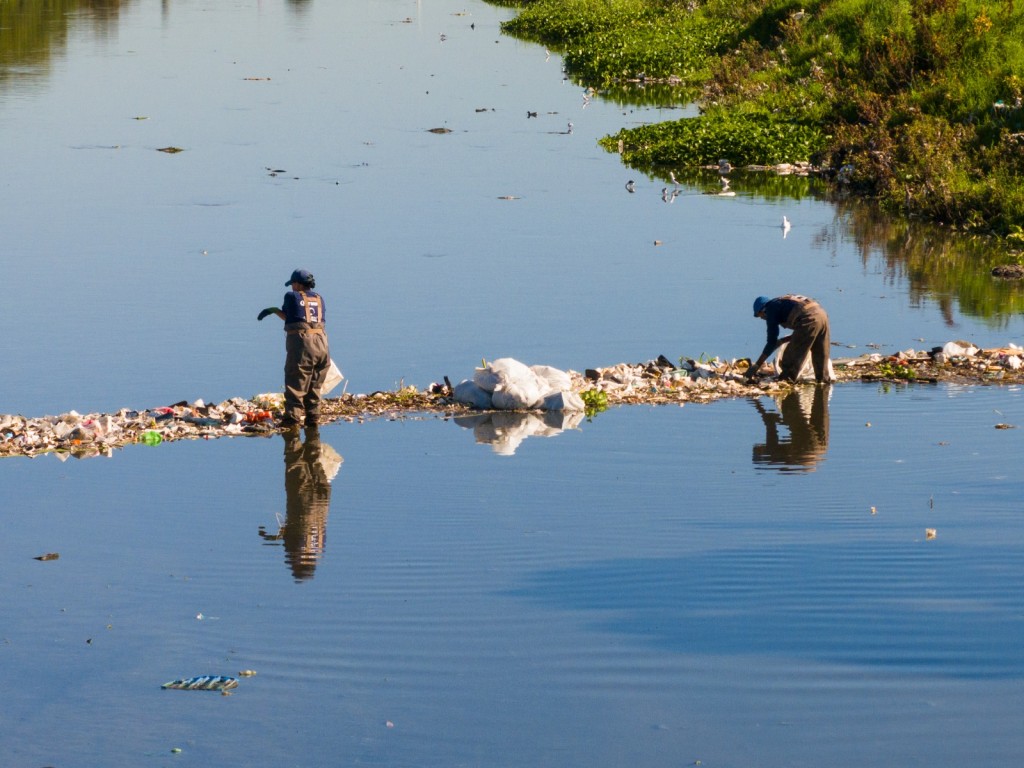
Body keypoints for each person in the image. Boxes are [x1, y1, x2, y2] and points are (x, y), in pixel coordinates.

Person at [258, 269, 331, 429]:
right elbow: (307, 317)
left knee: (295, 382)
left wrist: (273, 310)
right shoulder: (320, 298)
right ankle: (313, 419)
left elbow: (288, 316)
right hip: (322, 344)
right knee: (315, 384)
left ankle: (292, 421)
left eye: (292, 284)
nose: (291, 287)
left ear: (298, 284)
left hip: (303, 344)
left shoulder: (291, 296)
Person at [746, 294, 832, 383]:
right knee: (821, 353)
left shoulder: (770, 309)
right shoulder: (781, 301)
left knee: (791, 355)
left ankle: (786, 380)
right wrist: (785, 340)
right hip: (822, 315)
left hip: (808, 318)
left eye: (760, 316)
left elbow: (771, 342)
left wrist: (757, 365)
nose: (762, 318)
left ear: (762, 310)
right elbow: (804, 331)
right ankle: (823, 382)